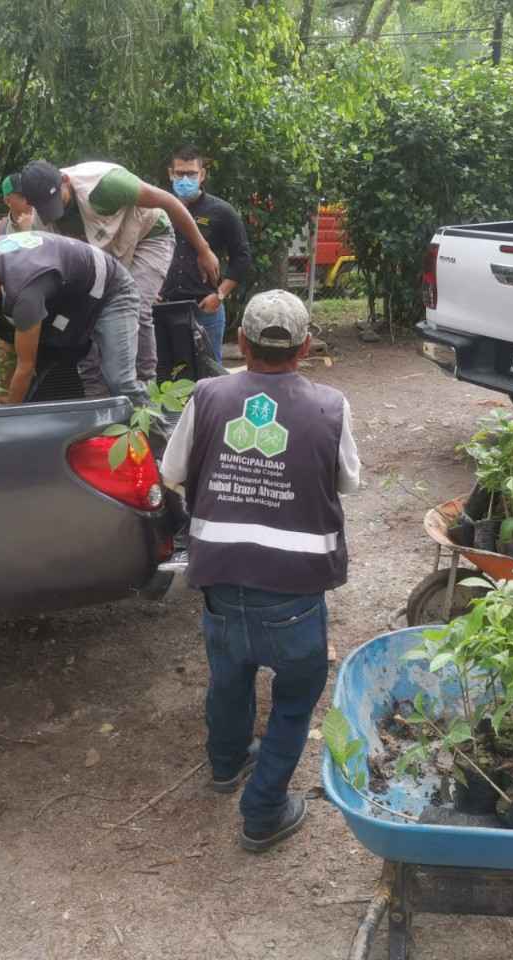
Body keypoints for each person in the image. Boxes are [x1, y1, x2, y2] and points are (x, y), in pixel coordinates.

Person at [160, 289, 361, 853]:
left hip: (221, 582)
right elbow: (348, 482)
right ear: (305, 347)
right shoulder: (330, 405)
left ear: (241, 342)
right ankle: (264, 811)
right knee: (295, 701)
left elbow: (173, 471)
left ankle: (226, 764)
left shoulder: (207, 396)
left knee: (229, 678)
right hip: (294, 595)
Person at [15, 159, 221, 391]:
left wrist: (203, 250)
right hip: (107, 256)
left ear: (64, 181)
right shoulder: (39, 223)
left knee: (136, 305)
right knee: (87, 313)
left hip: (149, 236)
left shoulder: (107, 185)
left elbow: (169, 201)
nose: (54, 212)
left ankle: (145, 386)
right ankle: (95, 392)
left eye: (56, 201)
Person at [0, 232, 146, 407]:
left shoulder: (24, 293)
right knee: (77, 367)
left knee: (120, 380)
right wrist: (0, 395)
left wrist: (6, 417)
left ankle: (157, 442)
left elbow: (25, 366)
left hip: (111, 290)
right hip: (71, 294)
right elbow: (6, 338)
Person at [159, 145, 252, 358]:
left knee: (208, 374)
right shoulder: (158, 209)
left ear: (202, 175)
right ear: (170, 174)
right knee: (162, 374)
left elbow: (242, 257)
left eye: (191, 174)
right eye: (180, 173)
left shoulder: (221, 211)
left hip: (204, 308)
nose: (185, 179)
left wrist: (220, 295)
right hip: (163, 307)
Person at [0, 174, 44, 241]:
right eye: (23, 196)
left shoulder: (46, 225)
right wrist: (26, 233)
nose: (29, 200)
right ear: (8, 201)